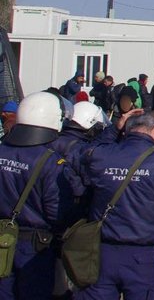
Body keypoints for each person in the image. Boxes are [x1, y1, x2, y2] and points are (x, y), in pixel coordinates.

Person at [73, 108, 154, 300]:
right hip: (144, 255)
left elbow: (80, 154)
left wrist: (113, 129)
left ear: (126, 131)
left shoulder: (102, 156)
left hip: (101, 250)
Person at [0, 92, 79, 300]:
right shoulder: (51, 163)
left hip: (2, 239)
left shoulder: (2, 150)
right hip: (34, 246)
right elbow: (57, 212)